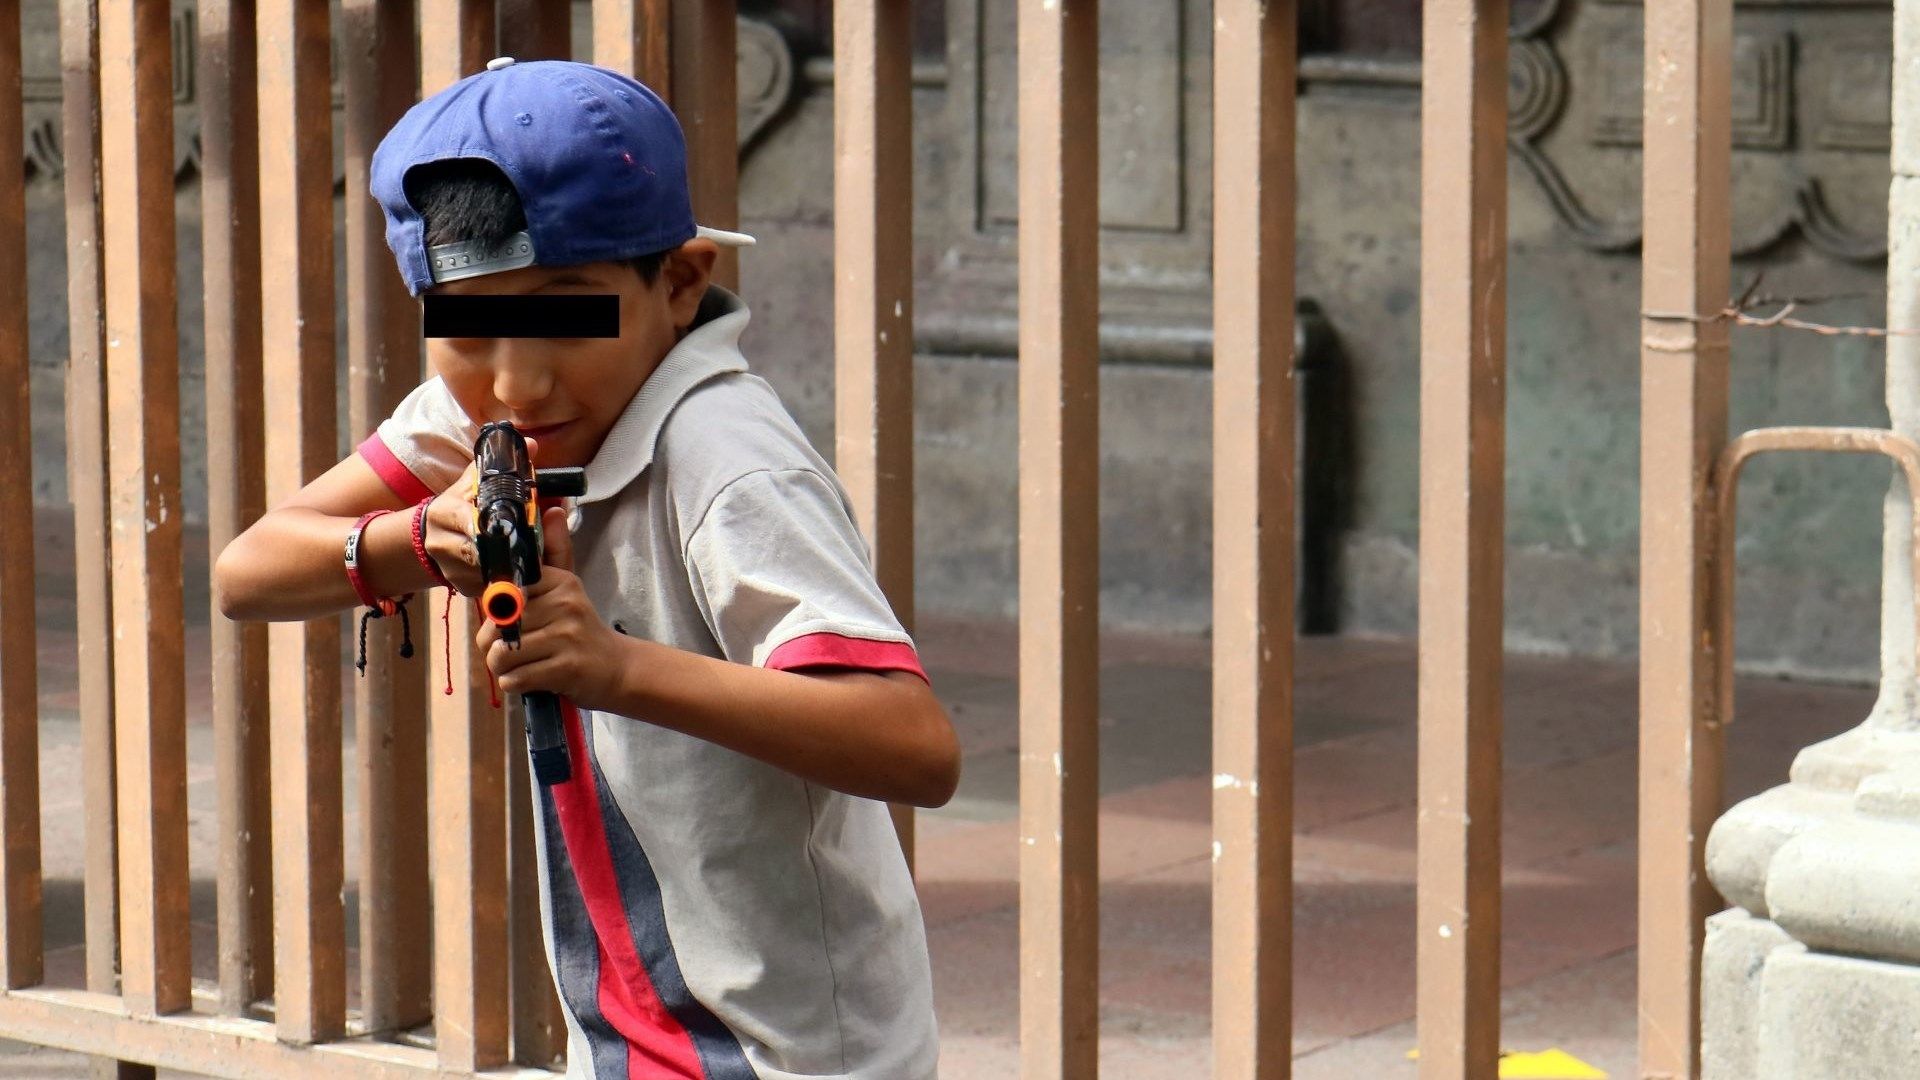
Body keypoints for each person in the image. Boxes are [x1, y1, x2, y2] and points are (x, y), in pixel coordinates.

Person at [215, 57, 957, 1080]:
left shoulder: (728, 462)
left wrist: (615, 669)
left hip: (788, 1060)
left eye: (569, 313)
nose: (519, 380)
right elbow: (245, 572)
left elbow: (913, 745)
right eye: (468, 329)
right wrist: (413, 536)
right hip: (631, 1044)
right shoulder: (481, 414)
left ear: (681, 280)